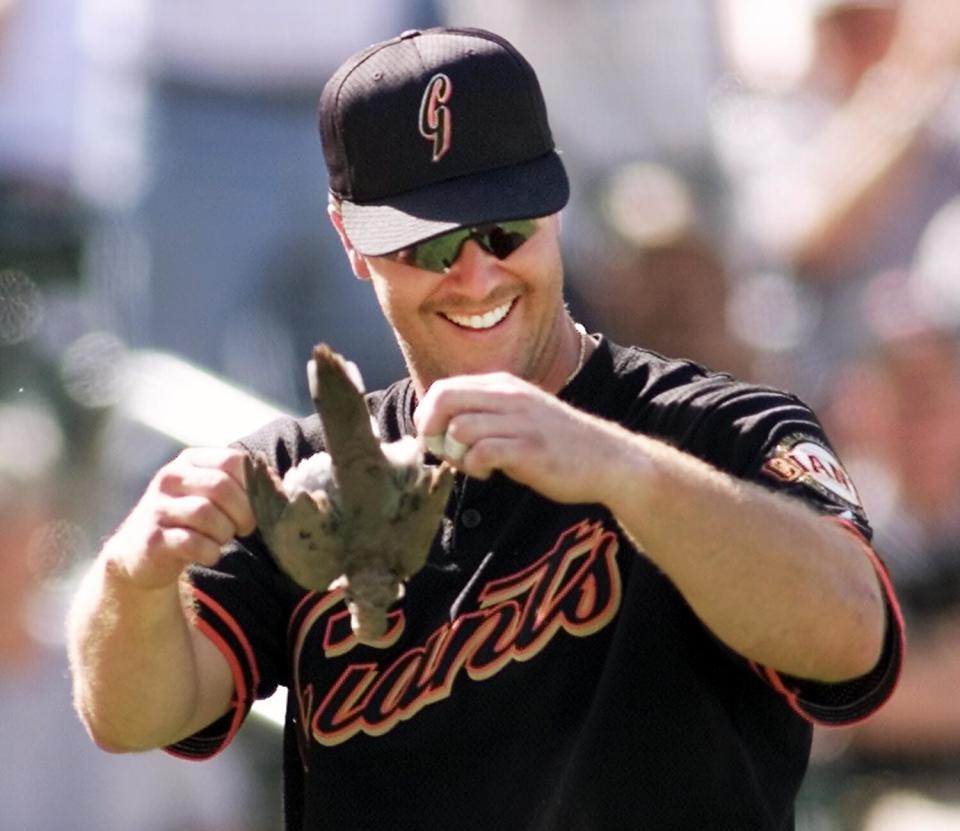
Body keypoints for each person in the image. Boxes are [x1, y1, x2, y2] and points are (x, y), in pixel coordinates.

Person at [67, 27, 903, 830]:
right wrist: (133, 582)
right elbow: (131, 715)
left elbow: (851, 634)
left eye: (505, 228)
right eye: (428, 245)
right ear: (351, 239)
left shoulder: (717, 429)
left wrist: (623, 470)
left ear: (558, 203)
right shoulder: (301, 471)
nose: (475, 274)